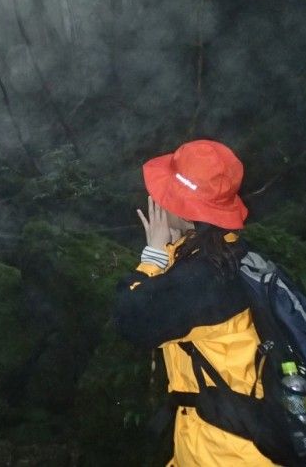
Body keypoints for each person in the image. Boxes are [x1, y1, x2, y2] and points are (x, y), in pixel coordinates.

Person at [115, 140, 275, 466]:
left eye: (167, 193)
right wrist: (174, 248)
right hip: (240, 440)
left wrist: (153, 256)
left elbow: (131, 319)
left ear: (186, 207)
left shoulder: (201, 281)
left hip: (224, 453)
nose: (158, 199)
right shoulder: (234, 255)